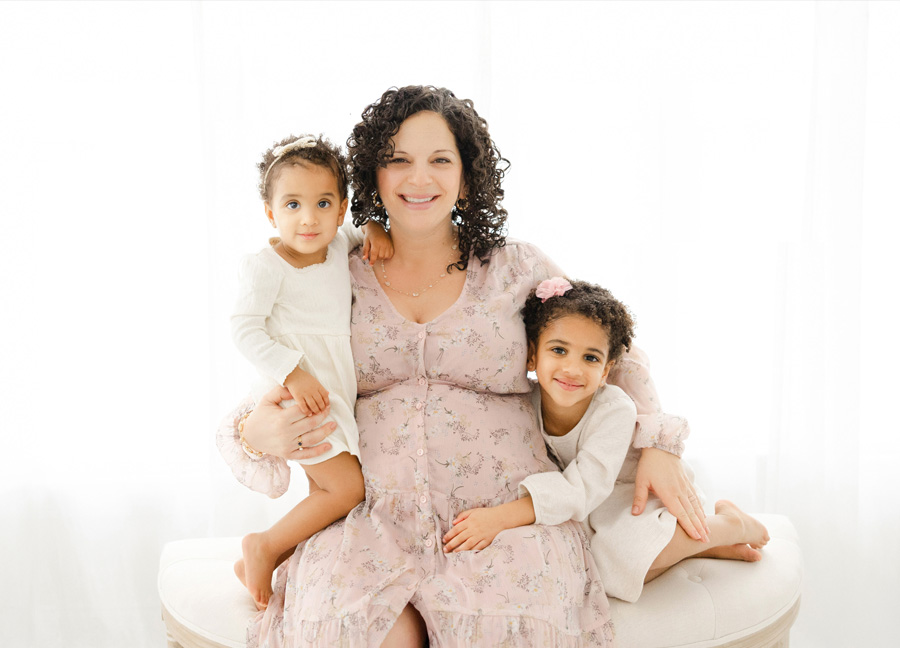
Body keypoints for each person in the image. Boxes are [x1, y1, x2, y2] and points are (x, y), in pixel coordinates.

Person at [219, 85, 706, 648]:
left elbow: (612, 351)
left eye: (440, 160)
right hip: (370, 520)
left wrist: (660, 445)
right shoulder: (335, 268)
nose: (418, 178)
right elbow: (284, 359)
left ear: (467, 177)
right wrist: (252, 432)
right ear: (372, 176)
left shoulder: (515, 266)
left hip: (503, 520)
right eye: (398, 160)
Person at [442, 277, 770, 603]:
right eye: (558, 350)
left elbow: (585, 486)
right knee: (598, 567)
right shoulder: (526, 403)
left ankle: (731, 525)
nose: (572, 369)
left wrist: (501, 517)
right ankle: (702, 547)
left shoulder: (615, 408)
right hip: (599, 506)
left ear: (605, 370)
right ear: (532, 357)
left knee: (624, 561)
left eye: (590, 358)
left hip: (638, 494)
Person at [228, 134, 393, 611]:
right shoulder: (266, 266)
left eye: (323, 203)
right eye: (293, 204)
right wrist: (293, 372)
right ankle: (263, 546)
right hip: (300, 394)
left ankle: (276, 559)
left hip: (333, 385)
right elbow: (244, 330)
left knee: (326, 490)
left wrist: (374, 228)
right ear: (269, 211)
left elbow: (363, 231)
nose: (308, 218)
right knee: (348, 487)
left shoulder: (339, 242)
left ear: (341, 209)